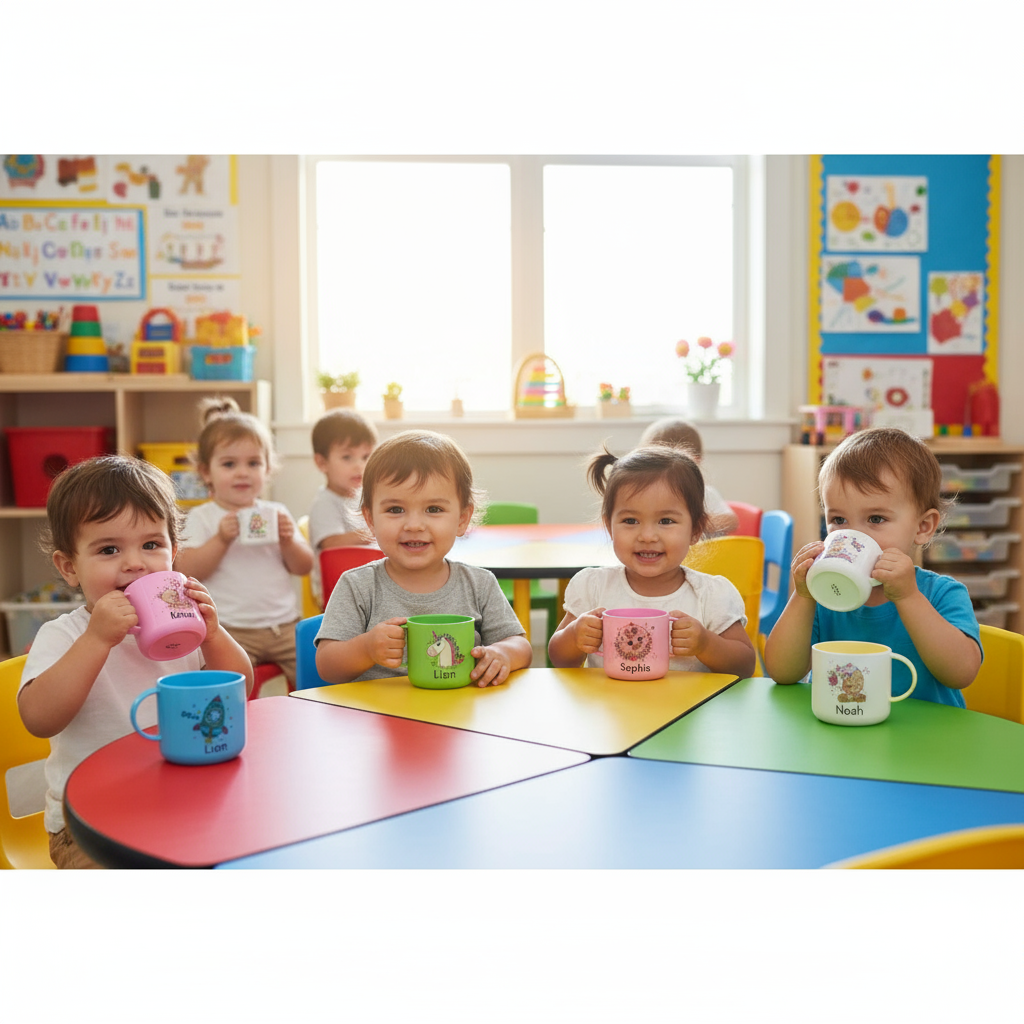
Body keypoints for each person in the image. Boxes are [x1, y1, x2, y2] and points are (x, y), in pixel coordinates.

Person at [17, 455, 253, 869]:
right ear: (70, 567)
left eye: (151, 545)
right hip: (88, 823)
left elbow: (241, 690)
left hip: (178, 802)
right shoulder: (66, 635)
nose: (135, 563)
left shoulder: (184, 624)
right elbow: (39, 719)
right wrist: (96, 640)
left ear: (174, 552)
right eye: (108, 549)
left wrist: (214, 635)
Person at [764, 426, 981, 705]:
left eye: (876, 519)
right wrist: (802, 595)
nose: (854, 535)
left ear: (923, 527)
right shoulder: (824, 596)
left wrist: (908, 597)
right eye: (839, 520)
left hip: (925, 730)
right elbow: (781, 672)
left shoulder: (941, 593)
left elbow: (961, 674)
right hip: (840, 724)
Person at [314, 429, 533, 686]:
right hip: (378, 710)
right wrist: (366, 648)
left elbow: (521, 646)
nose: (414, 525)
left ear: (462, 519)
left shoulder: (480, 584)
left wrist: (503, 653)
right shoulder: (357, 586)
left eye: (433, 509)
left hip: (459, 709)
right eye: (396, 509)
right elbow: (326, 666)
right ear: (370, 519)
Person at [547, 444, 756, 677]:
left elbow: (745, 666)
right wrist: (574, 637)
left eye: (666, 521)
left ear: (696, 530)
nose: (647, 536)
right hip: (609, 701)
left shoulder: (712, 595)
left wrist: (706, 644)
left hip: (691, 701)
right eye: (630, 521)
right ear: (609, 526)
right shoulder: (593, 587)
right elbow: (559, 659)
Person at [176, 398, 314, 689]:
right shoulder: (203, 517)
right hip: (229, 629)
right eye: (229, 464)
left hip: (284, 626)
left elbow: (304, 566)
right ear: (206, 472)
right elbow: (187, 569)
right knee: (229, 685)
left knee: (317, 675)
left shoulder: (276, 513)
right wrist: (221, 540)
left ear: (267, 469)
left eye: (253, 463)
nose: (242, 472)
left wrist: (288, 540)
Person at [308, 408, 378, 603]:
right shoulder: (325, 502)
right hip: (338, 593)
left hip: (361, 583)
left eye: (366, 456)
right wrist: (374, 532)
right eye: (347, 457)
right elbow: (331, 543)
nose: (359, 466)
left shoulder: (365, 497)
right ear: (322, 462)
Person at [639, 417, 739, 537]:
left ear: (694, 462)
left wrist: (696, 522)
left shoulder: (704, 493)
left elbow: (732, 521)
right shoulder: (645, 495)